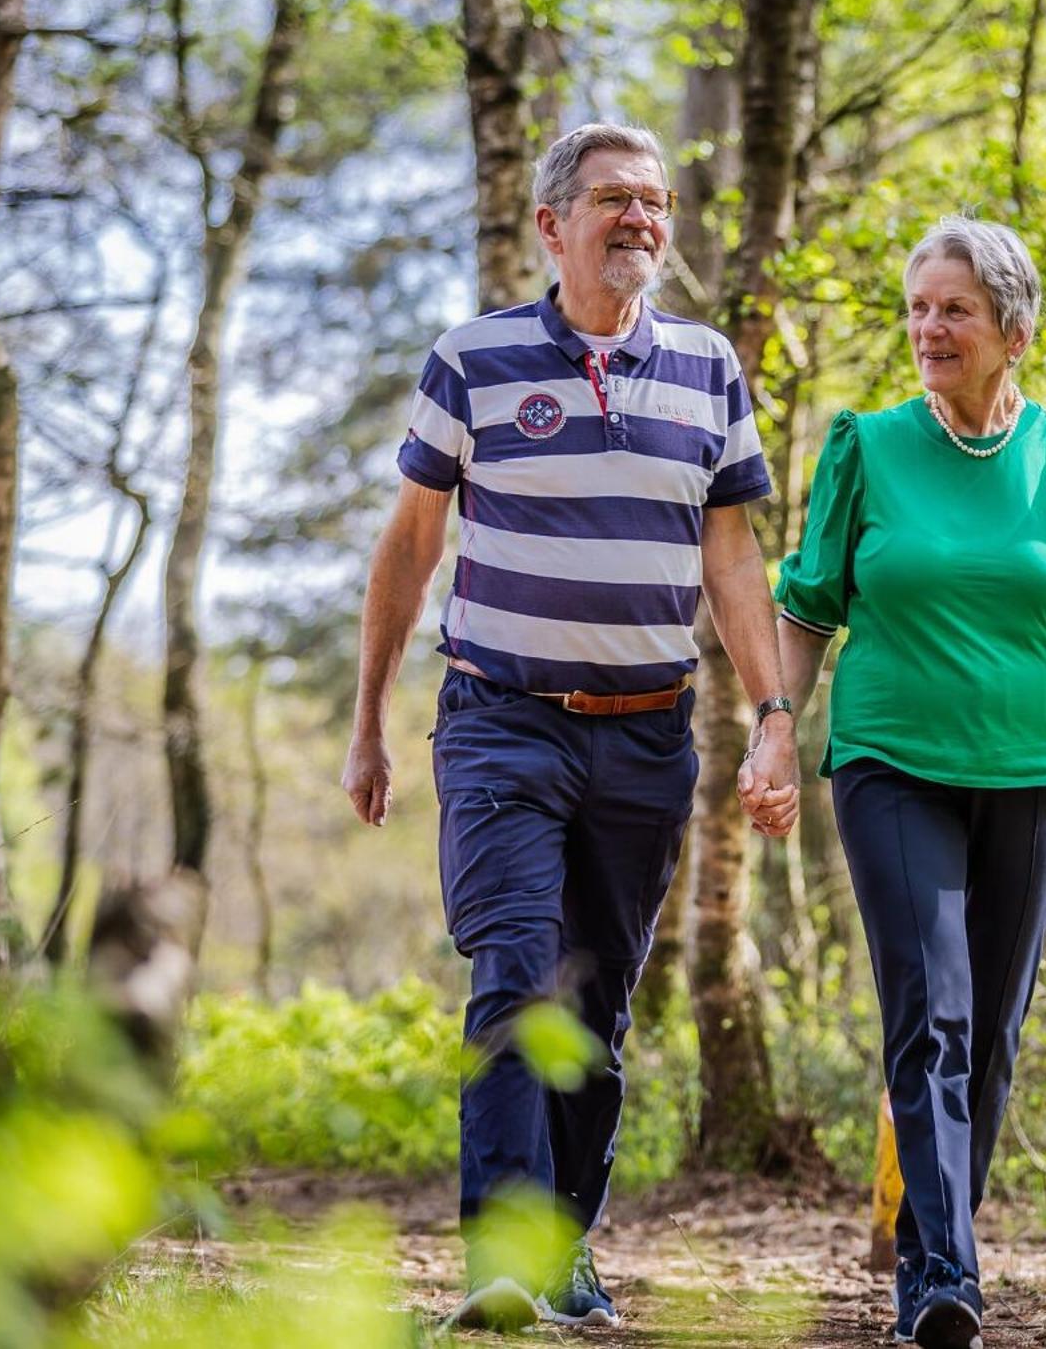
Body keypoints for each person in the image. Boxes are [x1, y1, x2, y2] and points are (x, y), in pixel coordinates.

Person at [341, 122, 799, 1331]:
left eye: (656, 199)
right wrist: (369, 724)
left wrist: (773, 716)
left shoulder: (706, 368)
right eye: (614, 199)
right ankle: (498, 1255)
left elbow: (733, 561)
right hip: (500, 722)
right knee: (512, 977)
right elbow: (409, 548)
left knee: (594, 1008)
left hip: (647, 738)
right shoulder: (475, 360)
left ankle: (562, 1254)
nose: (643, 217)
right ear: (553, 225)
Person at [764, 217, 1046, 1349]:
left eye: (953, 310)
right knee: (933, 1009)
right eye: (917, 308)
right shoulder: (864, 448)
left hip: (1032, 774)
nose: (928, 329)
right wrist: (775, 730)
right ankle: (940, 1280)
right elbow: (808, 601)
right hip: (887, 762)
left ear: (1012, 331)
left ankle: (935, 1245)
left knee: (995, 1033)